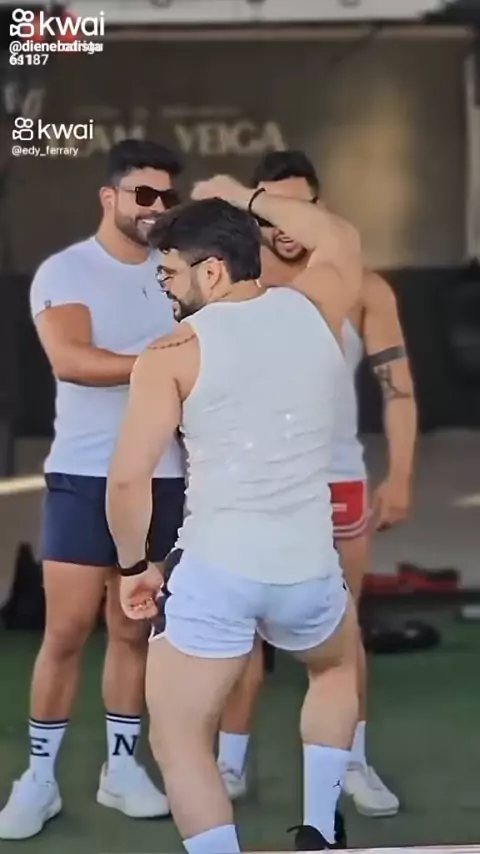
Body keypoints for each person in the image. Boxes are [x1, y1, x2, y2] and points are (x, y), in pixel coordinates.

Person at [106, 175, 363, 854]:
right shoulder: (316, 308)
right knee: (336, 667)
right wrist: (245, 196)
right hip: (308, 569)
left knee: (179, 736)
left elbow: (128, 480)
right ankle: (319, 828)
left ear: (212, 271)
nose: (164, 288)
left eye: (169, 273)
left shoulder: (171, 353)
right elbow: (339, 238)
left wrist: (134, 567)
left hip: (217, 572)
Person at [218, 151, 417, 817]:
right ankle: (229, 763)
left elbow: (398, 390)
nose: (284, 224)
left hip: (336, 479)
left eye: (297, 207)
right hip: (250, 481)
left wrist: (401, 475)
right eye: (270, 208)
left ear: (319, 208)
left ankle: (352, 759)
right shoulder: (233, 279)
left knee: (343, 625)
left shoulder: (362, 286)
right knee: (240, 627)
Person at [0, 139, 186, 840]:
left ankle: (121, 769)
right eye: (144, 194)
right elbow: (72, 360)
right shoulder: (66, 269)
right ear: (110, 197)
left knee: (133, 629)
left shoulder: (180, 271)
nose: (157, 207)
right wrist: (166, 363)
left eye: (167, 196)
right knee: (67, 630)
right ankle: (39, 779)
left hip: (164, 476)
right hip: (84, 474)